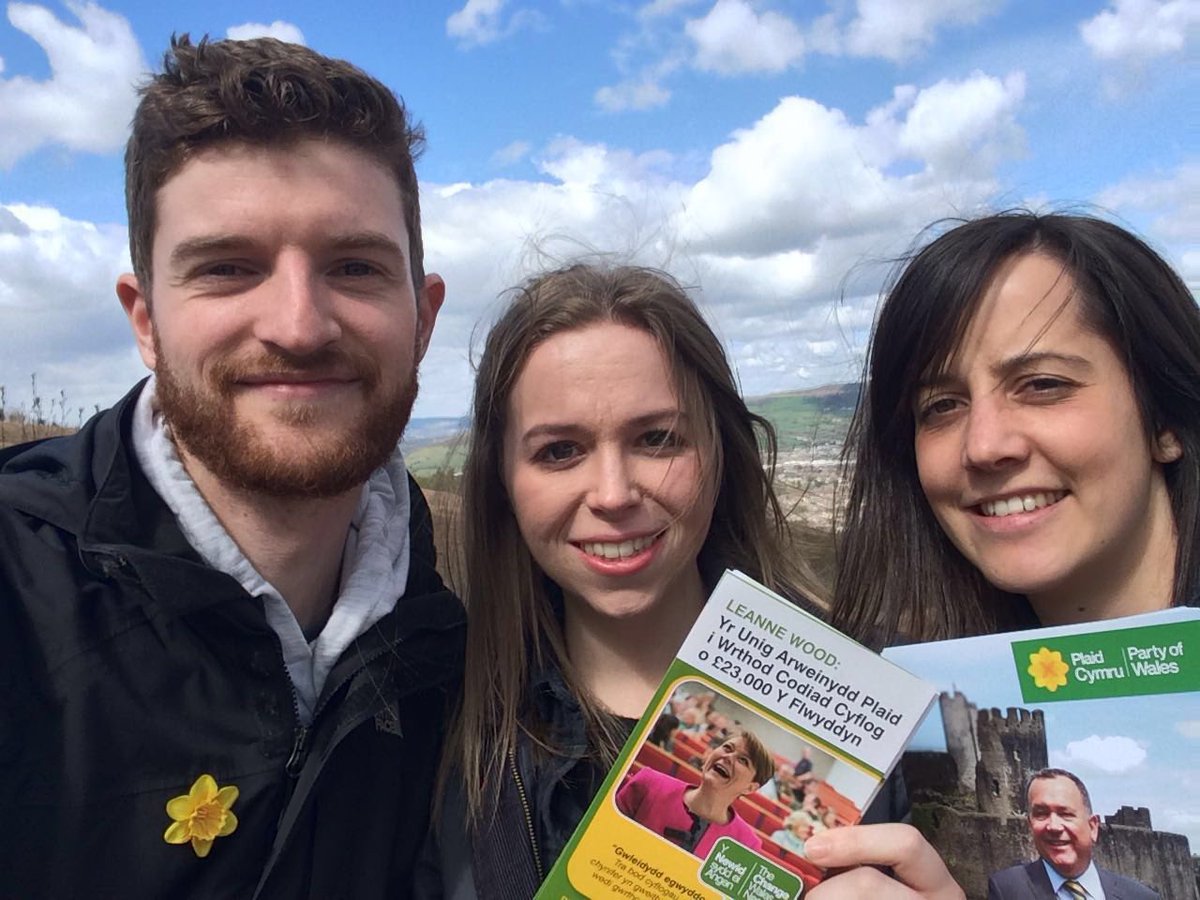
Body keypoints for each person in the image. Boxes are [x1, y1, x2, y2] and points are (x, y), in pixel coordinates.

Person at [0, 36, 462, 899]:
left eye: (354, 266)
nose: (298, 325)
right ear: (145, 320)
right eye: (227, 268)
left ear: (423, 319)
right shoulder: (17, 598)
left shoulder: (458, 653)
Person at [804, 212, 1200, 896]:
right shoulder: (891, 735)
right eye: (941, 405)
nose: (984, 446)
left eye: (1043, 384)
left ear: (1165, 419)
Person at [417, 263, 826, 899]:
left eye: (657, 439)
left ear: (721, 450)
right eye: (559, 450)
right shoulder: (436, 741)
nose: (612, 494)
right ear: (503, 483)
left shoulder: (857, 707)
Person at [988, 769, 1160, 899]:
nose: (1054, 826)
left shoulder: (1140, 896)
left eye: (1065, 814)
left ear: (1093, 827)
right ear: (1030, 826)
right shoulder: (1007, 890)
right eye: (1041, 814)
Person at [616, 731, 774, 857]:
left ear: (750, 788)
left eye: (743, 760)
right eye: (727, 748)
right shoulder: (648, 783)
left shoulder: (746, 845)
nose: (728, 757)